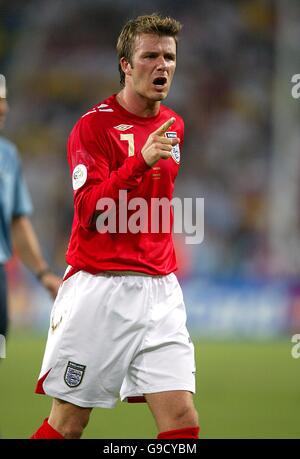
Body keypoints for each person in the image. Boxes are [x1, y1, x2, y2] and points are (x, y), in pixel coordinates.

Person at [31, 14, 199, 440]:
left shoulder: (174, 125)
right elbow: (89, 209)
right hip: (101, 288)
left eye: (169, 57)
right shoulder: (93, 126)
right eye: (150, 56)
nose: (162, 66)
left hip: (160, 290)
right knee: (69, 423)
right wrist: (139, 161)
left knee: (181, 419)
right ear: (126, 64)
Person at [0, 74, 61, 339]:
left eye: (5, 101)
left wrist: (43, 272)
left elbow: (17, 222)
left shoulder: (8, 156)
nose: (5, 108)